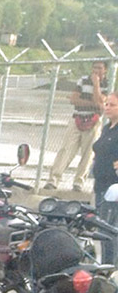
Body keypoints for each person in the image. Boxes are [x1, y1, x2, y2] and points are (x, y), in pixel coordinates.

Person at [45, 60, 108, 193]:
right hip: (77, 118)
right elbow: (74, 99)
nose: (95, 70)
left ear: (105, 70)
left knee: (88, 153)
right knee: (66, 150)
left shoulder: (106, 83)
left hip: (94, 121)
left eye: (99, 68)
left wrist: (96, 84)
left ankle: (78, 182)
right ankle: (53, 180)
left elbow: (100, 104)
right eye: (94, 67)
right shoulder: (83, 80)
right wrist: (92, 103)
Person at [91, 92, 118, 253]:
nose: (107, 107)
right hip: (101, 186)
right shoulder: (107, 128)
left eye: (112, 105)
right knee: (102, 231)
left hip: (114, 189)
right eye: (106, 104)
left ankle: (111, 269)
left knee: (108, 232)